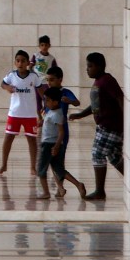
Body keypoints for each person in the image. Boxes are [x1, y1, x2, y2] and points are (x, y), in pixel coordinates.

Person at [70, 51, 124, 200]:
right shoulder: (98, 82)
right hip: (104, 125)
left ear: (100, 66)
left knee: (97, 153)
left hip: (111, 126)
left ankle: (100, 191)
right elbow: (95, 105)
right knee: (114, 157)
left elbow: (120, 98)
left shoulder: (107, 80)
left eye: (90, 66)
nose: (87, 69)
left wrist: (128, 120)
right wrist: (80, 115)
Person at [0, 50, 43, 175]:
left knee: (32, 140)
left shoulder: (34, 76)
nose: (20, 63)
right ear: (15, 63)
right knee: (8, 138)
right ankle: (4, 165)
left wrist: (45, 105)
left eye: (23, 61)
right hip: (14, 113)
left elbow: (41, 91)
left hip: (29, 114)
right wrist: (8, 88)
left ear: (28, 63)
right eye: (18, 61)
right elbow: (2, 83)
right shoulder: (12, 75)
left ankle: (33, 167)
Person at [44, 66, 86, 198]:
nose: (49, 83)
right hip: (49, 131)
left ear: (60, 79)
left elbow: (77, 102)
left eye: (52, 80)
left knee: (57, 161)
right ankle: (60, 187)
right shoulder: (49, 93)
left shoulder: (65, 92)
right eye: (48, 80)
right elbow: (46, 110)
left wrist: (70, 101)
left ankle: (74, 185)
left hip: (61, 131)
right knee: (51, 161)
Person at [35, 87, 66, 199]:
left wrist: (57, 145)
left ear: (55, 102)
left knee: (41, 170)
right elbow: (48, 123)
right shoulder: (50, 111)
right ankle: (78, 185)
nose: (45, 102)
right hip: (48, 143)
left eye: (47, 100)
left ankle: (46, 192)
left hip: (49, 144)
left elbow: (61, 132)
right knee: (58, 169)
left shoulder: (57, 114)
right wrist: (41, 123)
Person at [30, 35, 58, 119]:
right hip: (37, 82)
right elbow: (30, 67)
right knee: (37, 100)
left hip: (46, 83)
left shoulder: (51, 58)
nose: (44, 47)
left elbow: (54, 71)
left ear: (49, 45)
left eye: (46, 45)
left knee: (47, 100)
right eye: (42, 45)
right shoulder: (36, 55)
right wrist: (32, 76)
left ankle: (46, 115)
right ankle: (39, 118)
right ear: (39, 46)